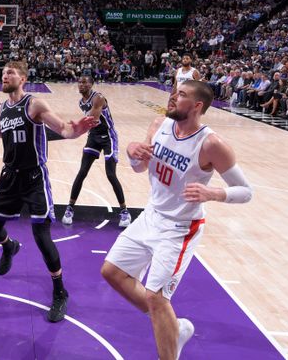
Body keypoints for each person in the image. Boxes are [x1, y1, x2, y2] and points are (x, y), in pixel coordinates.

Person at [101, 81, 253, 360]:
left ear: (197, 106)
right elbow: (139, 167)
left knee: (156, 297)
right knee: (112, 273)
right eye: (173, 93)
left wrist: (213, 192)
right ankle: (172, 325)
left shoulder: (211, 143)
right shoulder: (159, 123)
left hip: (180, 229)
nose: (172, 98)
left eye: (181, 95)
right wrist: (132, 151)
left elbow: (246, 192)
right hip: (151, 215)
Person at [0, 61, 95, 322]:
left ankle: (59, 292)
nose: (4, 76)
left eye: (9, 73)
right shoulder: (0, 110)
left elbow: (64, 129)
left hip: (34, 178)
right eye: (2, 74)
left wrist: (76, 130)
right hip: (9, 177)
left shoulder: (35, 105)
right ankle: (10, 246)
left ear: (22, 79)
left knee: (42, 237)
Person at [62, 75, 130, 228]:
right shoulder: (81, 102)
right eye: (79, 82)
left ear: (91, 84)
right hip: (94, 136)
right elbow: (89, 124)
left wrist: (74, 127)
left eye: (85, 82)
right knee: (82, 172)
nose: (81, 84)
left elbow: (93, 118)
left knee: (111, 174)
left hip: (108, 137)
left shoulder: (98, 97)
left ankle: (125, 212)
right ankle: (69, 208)